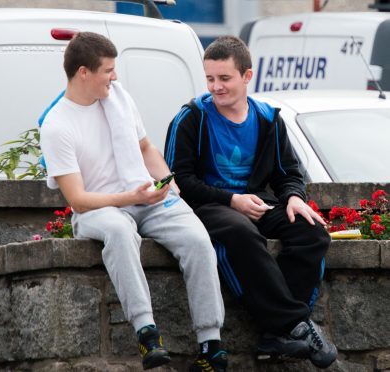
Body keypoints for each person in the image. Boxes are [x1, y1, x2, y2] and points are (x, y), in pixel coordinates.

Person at [39, 32, 227, 371]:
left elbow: (145, 149)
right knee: (120, 232)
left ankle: (210, 344)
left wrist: (171, 188)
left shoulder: (119, 97)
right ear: (84, 72)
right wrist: (132, 197)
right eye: (108, 70)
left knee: (199, 240)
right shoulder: (57, 125)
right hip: (100, 209)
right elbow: (78, 200)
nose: (115, 77)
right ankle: (147, 334)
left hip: (144, 196)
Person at [164, 36, 337, 369]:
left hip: (257, 202)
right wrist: (231, 199)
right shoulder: (191, 118)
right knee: (241, 232)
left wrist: (295, 198)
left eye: (224, 78)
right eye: (210, 78)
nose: (216, 86)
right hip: (208, 206)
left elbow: (288, 173)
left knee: (312, 232)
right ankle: (295, 324)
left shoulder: (268, 118)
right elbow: (180, 181)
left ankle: (278, 334)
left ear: (247, 76)